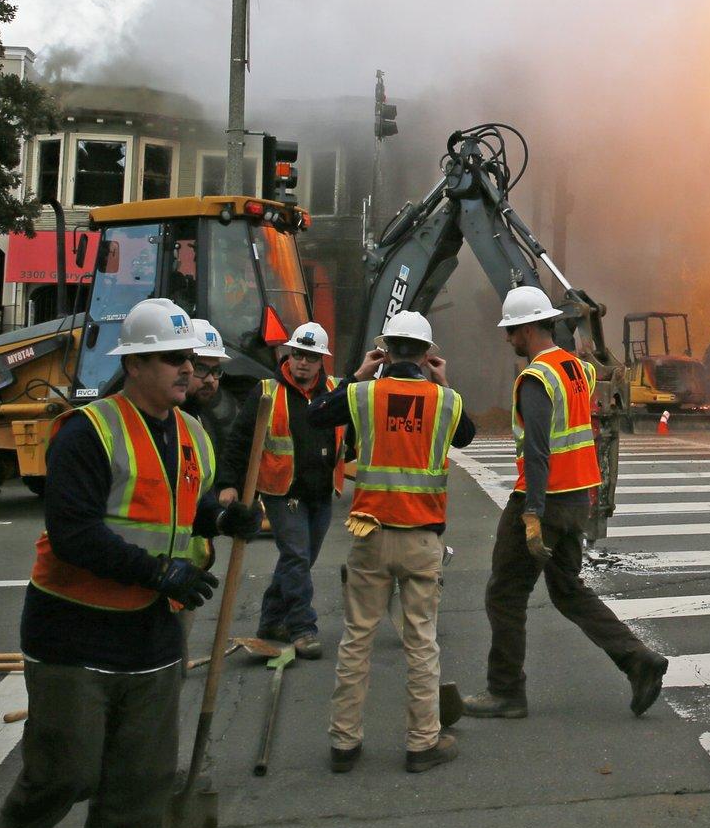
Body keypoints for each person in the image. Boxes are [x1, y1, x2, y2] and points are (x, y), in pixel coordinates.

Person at [0, 298, 258, 828]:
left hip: (150, 635)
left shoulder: (191, 434)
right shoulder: (87, 432)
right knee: (65, 773)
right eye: (171, 358)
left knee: (142, 785)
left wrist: (222, 519)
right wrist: (157, 571)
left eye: (190, 358)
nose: (187, 369)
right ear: (134, 365)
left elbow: (179, 510)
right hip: (75, 631)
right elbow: (74, 533)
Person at [462, 285, 669, 720]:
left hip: (544, 501)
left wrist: (532, 513)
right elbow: (586, 399)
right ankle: (638, 659)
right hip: (577, 499)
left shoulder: (537, 377)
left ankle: (505, 692)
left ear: (527, 328)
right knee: (568, 590)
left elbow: (537, 450)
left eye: (511, 331)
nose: (508, 339)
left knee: (505, 593)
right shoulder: (577, 368)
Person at [309, 310, 476, 773]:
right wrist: (444, 383)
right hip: (422, 539)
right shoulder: (445, 401)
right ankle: (422, 743)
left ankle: (344, 743)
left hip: (370, 535)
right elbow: (467, 436)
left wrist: (355, 375)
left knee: (356, 639)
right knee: (421, 642)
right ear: (426, 355)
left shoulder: (363, 395)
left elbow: (315, 415)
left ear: (384, 351)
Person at [219, 320, 341, 658]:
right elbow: (239, 441)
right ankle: (302, 628)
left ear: (321, 361)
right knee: (297, 557)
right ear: (289, 354)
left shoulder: (334, 391)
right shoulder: (267, 391)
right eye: (297, 354)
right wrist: (228, 484)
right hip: (282, 493)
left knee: (297, 560)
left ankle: (271, 621)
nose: (302, 362)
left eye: (310, 357)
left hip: (321, 493)